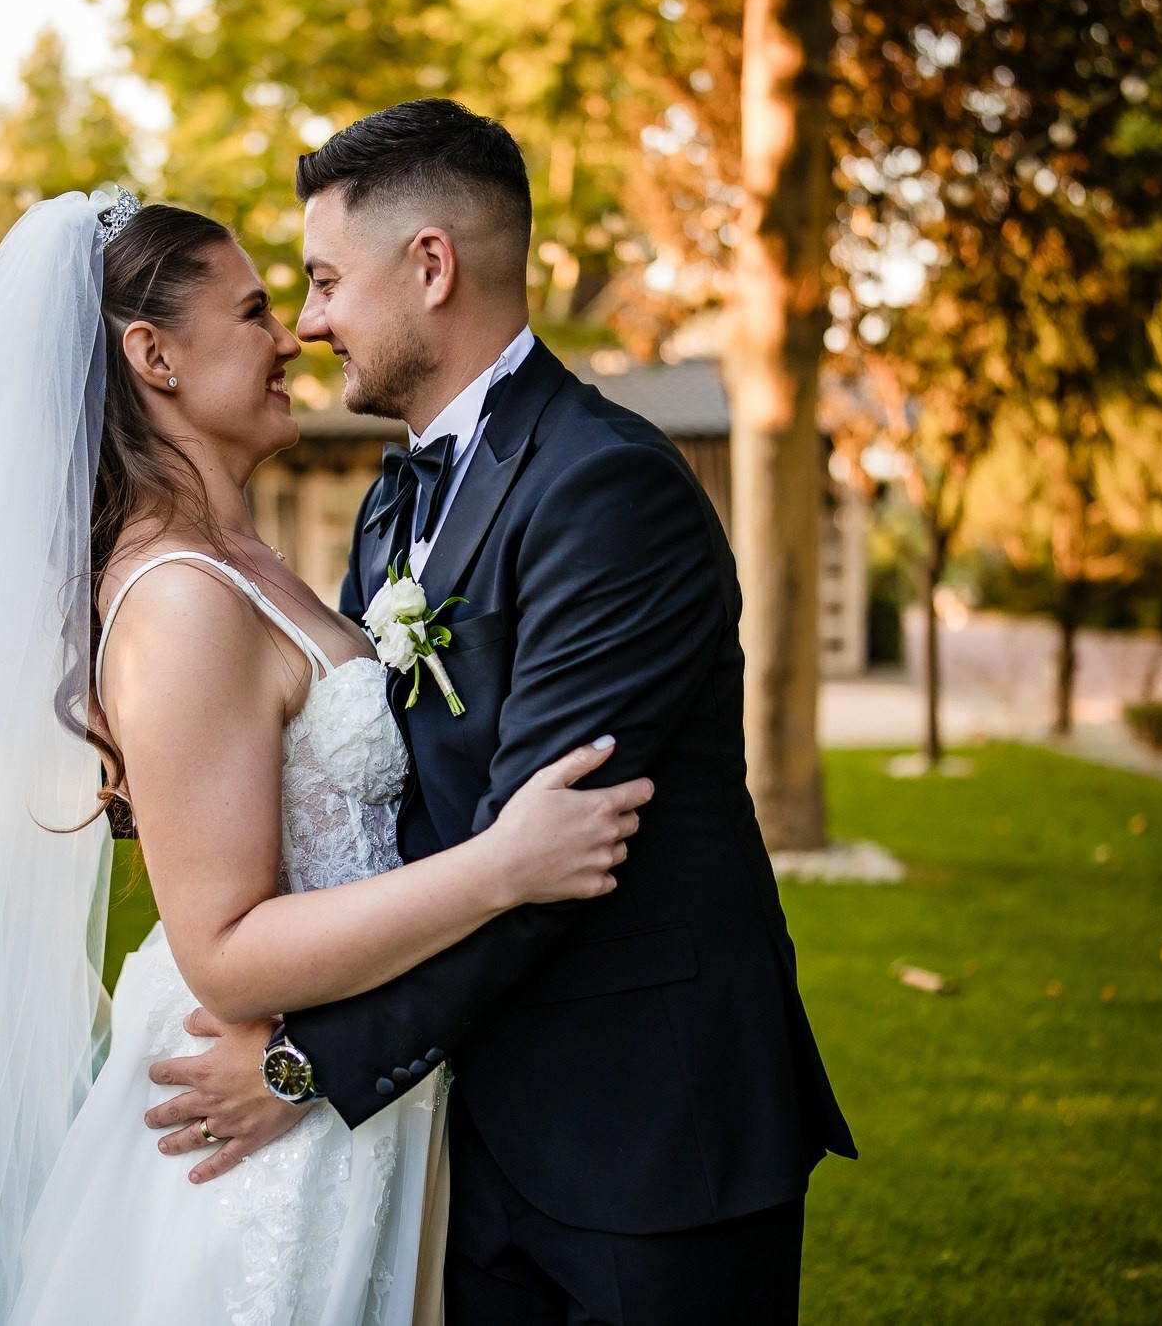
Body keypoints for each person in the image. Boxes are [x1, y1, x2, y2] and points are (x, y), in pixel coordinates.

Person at [0, 188, 650, 1326]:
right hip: (248, 1143)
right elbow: (227, 954)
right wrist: (502, 869)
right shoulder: (181, 602)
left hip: (350, 1097)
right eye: (251, 312)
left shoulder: (243, 557)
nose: (290, 333)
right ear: (153, 356)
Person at [148, 99, 858, 1326]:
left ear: (431, 267)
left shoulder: (606, 490)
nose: (308, 322)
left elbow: (541, 857)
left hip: (648, 1133)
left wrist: (305, 1064)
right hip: (465, 1134)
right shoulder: (391, 496)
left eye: (322, 280)